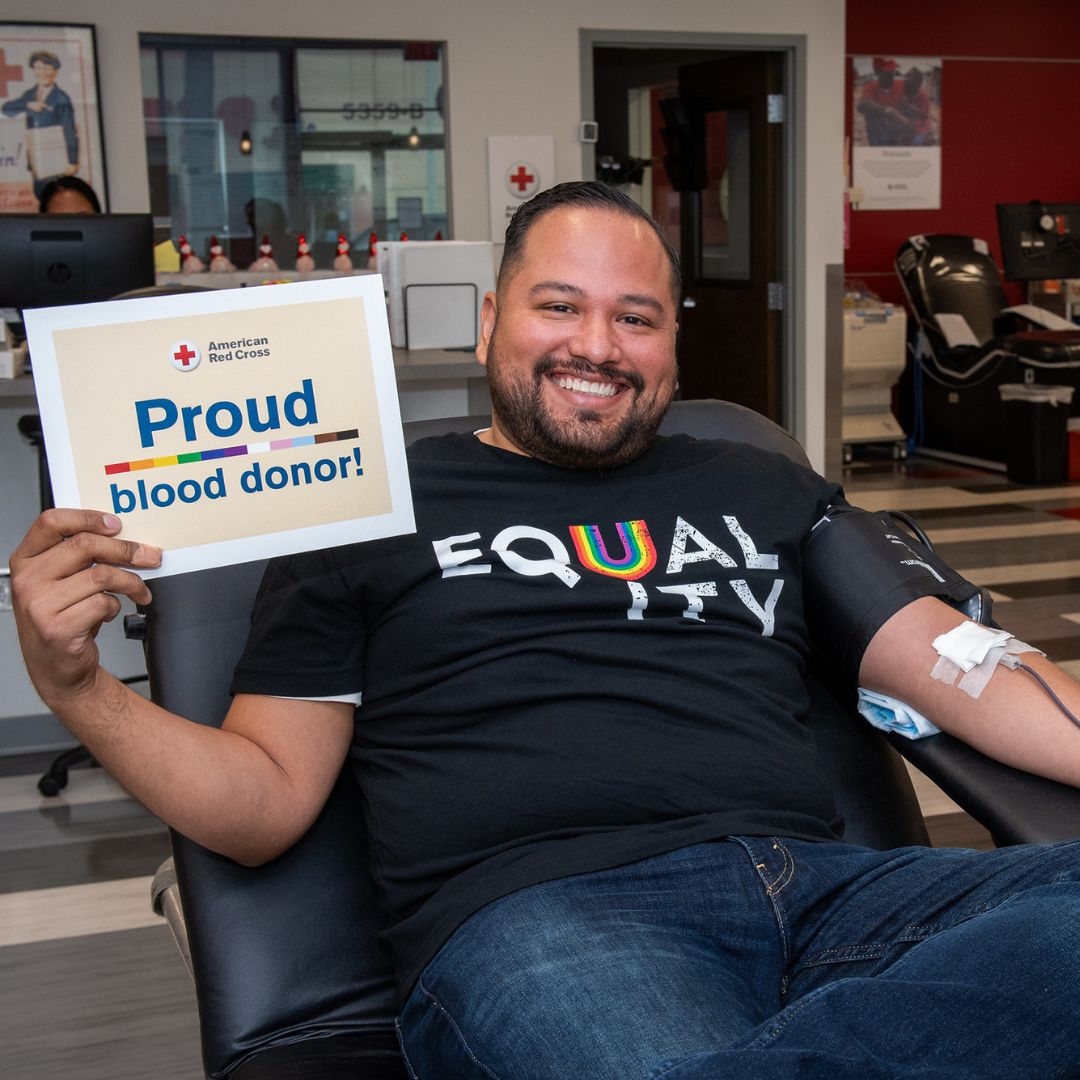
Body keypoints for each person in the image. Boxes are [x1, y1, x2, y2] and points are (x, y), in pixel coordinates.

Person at [10, 181, 1080, 1080]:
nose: (596, 347)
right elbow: (264, 802)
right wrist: (79, 689)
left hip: (828, 894)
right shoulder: (367, 504)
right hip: (550, 919)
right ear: (491, 320)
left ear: (671, 342)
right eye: (558, 306)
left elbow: (969, 669)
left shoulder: (757, 481)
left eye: (635, 317)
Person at [1, 50, 79, 198]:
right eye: (37, 68)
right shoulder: (29, 94)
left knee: (54, 200)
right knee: (39, 195)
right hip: (37, 160)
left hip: (57, 161)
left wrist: (72, 161)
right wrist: (27, 105)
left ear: (54, 71)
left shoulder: (61, 98)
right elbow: (6, 110)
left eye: (46, 68)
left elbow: (70, 131)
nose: (42, 72)